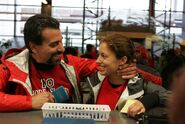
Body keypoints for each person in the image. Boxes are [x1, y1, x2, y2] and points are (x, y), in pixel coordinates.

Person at [0, 14, 136, 112]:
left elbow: (107, 64)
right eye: (54, 44)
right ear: (34, 47)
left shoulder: (70, 63)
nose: (62, 48)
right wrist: (31, 102)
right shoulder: (10, 67)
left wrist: (128, 67)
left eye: (61, 41)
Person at [83, 34, 170, 117]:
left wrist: (146, 101)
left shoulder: (140, 85)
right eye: (99, 55)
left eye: (103, 56)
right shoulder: (93, 82)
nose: (97, 61)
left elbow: (173, 96)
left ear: (123, 60)